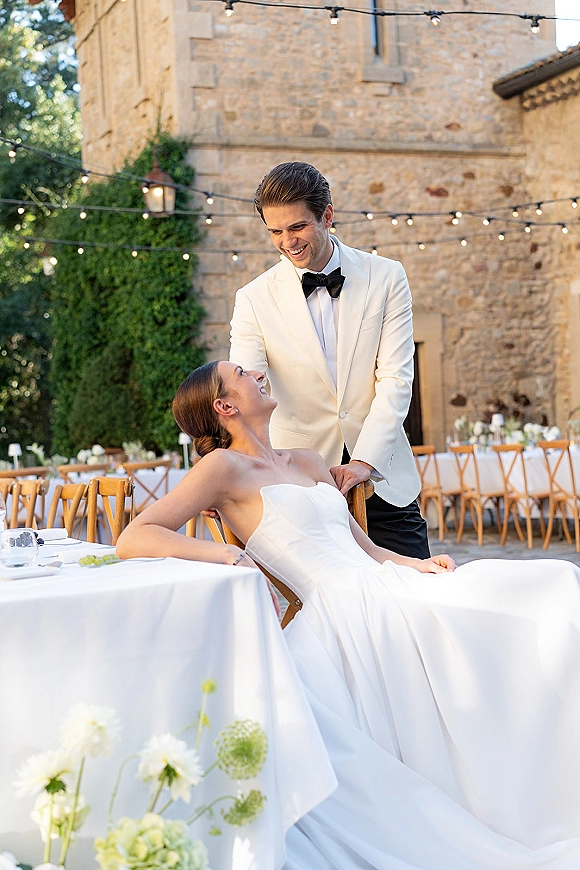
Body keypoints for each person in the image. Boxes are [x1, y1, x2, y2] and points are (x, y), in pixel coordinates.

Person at [118, 362, 580, 869]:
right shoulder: (222, 470)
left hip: (378, 585)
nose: (257, 373)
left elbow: (363, 546)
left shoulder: (309, 460)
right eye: (242, 374)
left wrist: (417, 563)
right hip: (339, 610)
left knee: (545, 584)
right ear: (224, 407)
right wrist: (229, 555)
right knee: (535, 595)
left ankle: (535, 781)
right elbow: (134, 536)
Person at [229, 161, 430, 559]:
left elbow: (395, 380)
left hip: (382, 476)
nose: (288, 242)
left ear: (327, 216)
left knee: (419, 593)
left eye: (297, 227)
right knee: (319, 610)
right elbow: (245, 391)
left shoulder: (387, 277)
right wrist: (230, 464)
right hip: (299, 488)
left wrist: (364, 462)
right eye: (275, 232)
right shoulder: (253, 298)